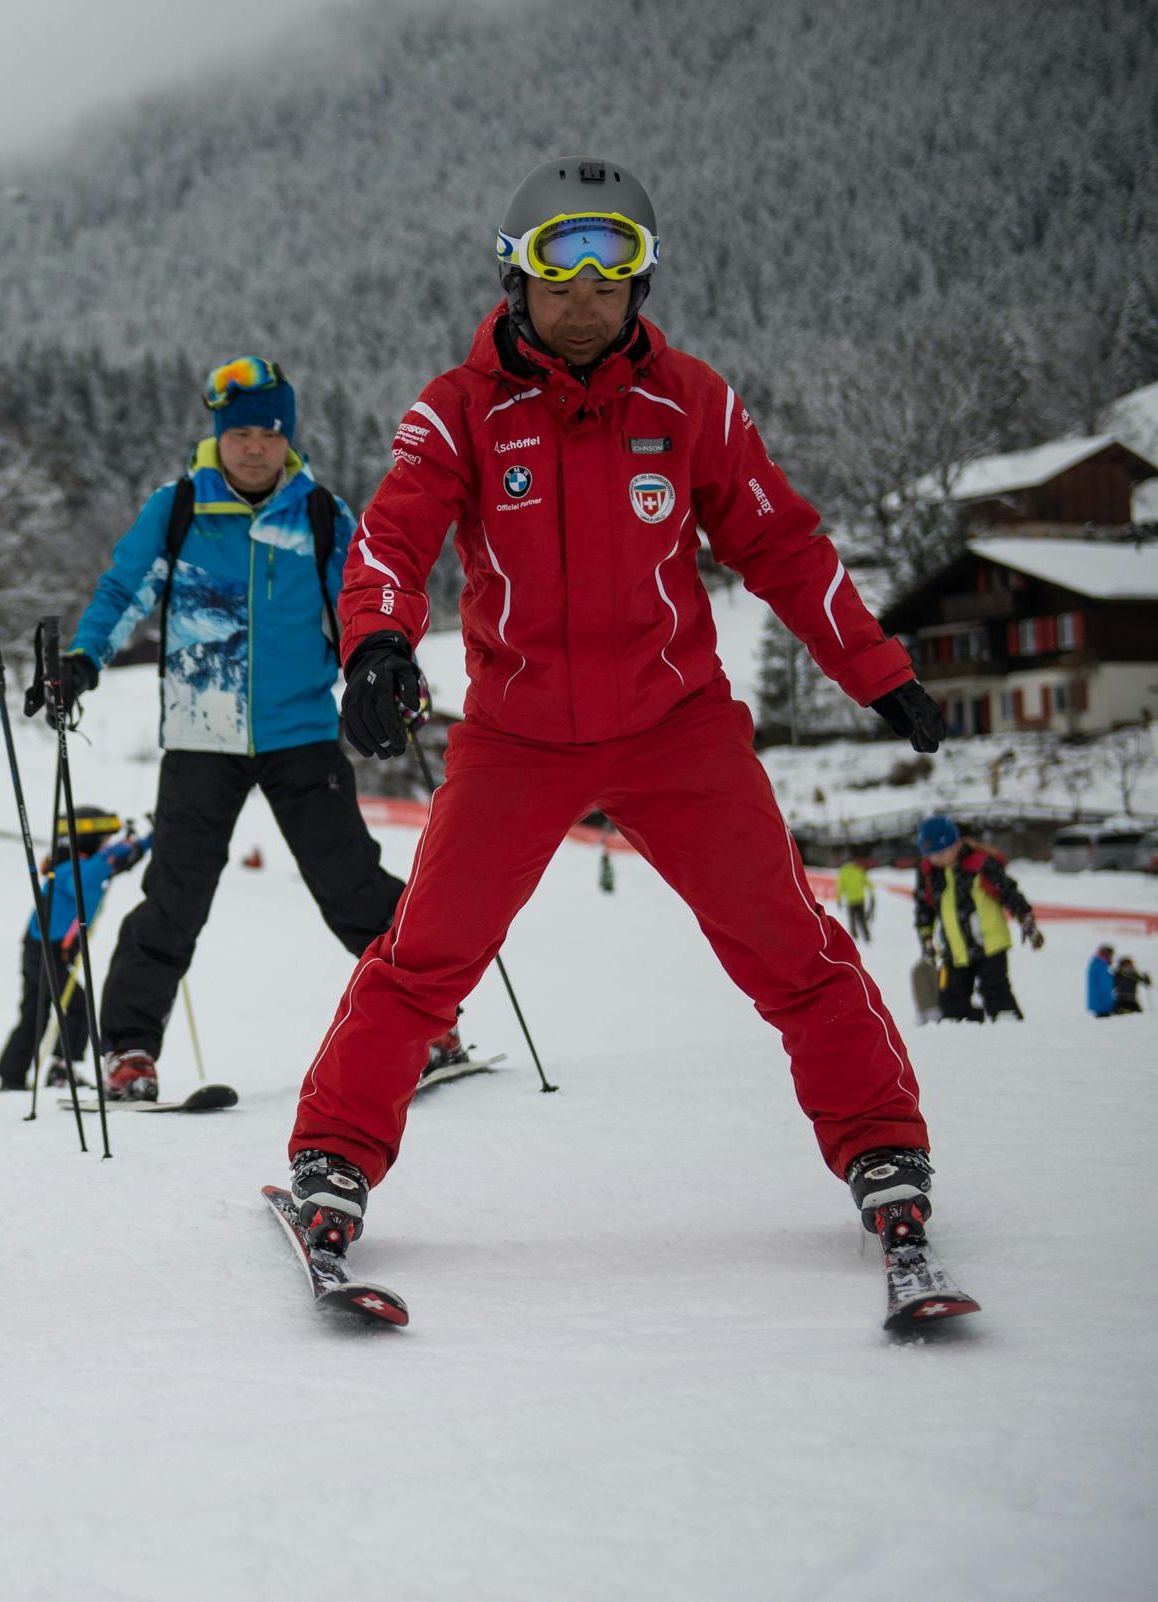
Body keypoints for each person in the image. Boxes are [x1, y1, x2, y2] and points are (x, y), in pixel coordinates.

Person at [287, 156, 953, 1269]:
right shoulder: (456, 412)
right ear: (517, 280)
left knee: (791, 949)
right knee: (427, 956)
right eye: (561, 269)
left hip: (675, 728)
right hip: (517, 737)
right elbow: (392, 540)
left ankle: (883, 1146)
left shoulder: (688, 402)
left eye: (612, 270)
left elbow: (781, 545)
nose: (585, 296)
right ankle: (335, 1159)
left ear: (641, 282)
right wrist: (379, 643)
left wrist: (876, 669)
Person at [53, 356, 410, 1103]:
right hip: (200, 737)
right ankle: (129, 1052)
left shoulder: (318, 514)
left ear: (289, 439)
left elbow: (359, 607)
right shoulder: (179, 508)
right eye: (241, 433)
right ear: (220, 436)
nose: (254, 448)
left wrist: (379, 666)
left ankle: (430, 1022)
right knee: (174, 899)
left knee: (352, 884)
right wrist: (84, 659)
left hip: (301, 731)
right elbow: (126, 587)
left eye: (269, 435)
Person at [0, 809, 149, 1092]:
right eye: (102, 840)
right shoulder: (70, 869)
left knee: (37, 1012)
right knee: (75, 1006)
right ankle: (59, 1069)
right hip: (45, 951)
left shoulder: (83, 862)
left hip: (47, 949)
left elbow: (115, 862)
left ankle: (12, 1075)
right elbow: (92, 874)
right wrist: (119, 850)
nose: (106, 845)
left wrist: (146, 842)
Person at [913, 814, 1038, 1022]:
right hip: (954, 949)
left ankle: (1011, 1030)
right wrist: (926, 939)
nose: (935, 858)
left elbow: (1008, 892)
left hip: (990, 945)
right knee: (951, 1004)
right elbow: (924, 909)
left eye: (940, 852)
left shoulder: (979, 863)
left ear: (955, 844)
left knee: (995, 993)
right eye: (930, 854)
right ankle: (970, 1039)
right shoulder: (929, 873)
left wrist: (1026, 918)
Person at [836, 858, 875, 944]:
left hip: (851, 900)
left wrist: (839, 899)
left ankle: (854, 937)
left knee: (852, 919)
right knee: (862, 919)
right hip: (860, 899)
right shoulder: (858, 870)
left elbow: (840, 887)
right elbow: (869, 883)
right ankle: (866, 936)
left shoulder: (843, 873)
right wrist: (871, 893)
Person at [1088, 943, 1117, 1018]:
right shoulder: (1100, 966)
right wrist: (1111, 1003)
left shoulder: (1098, 964)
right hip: (1103, 1005)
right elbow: (1104, 987)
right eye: (1111, 955)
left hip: (1100, 1004)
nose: (1112, 958)